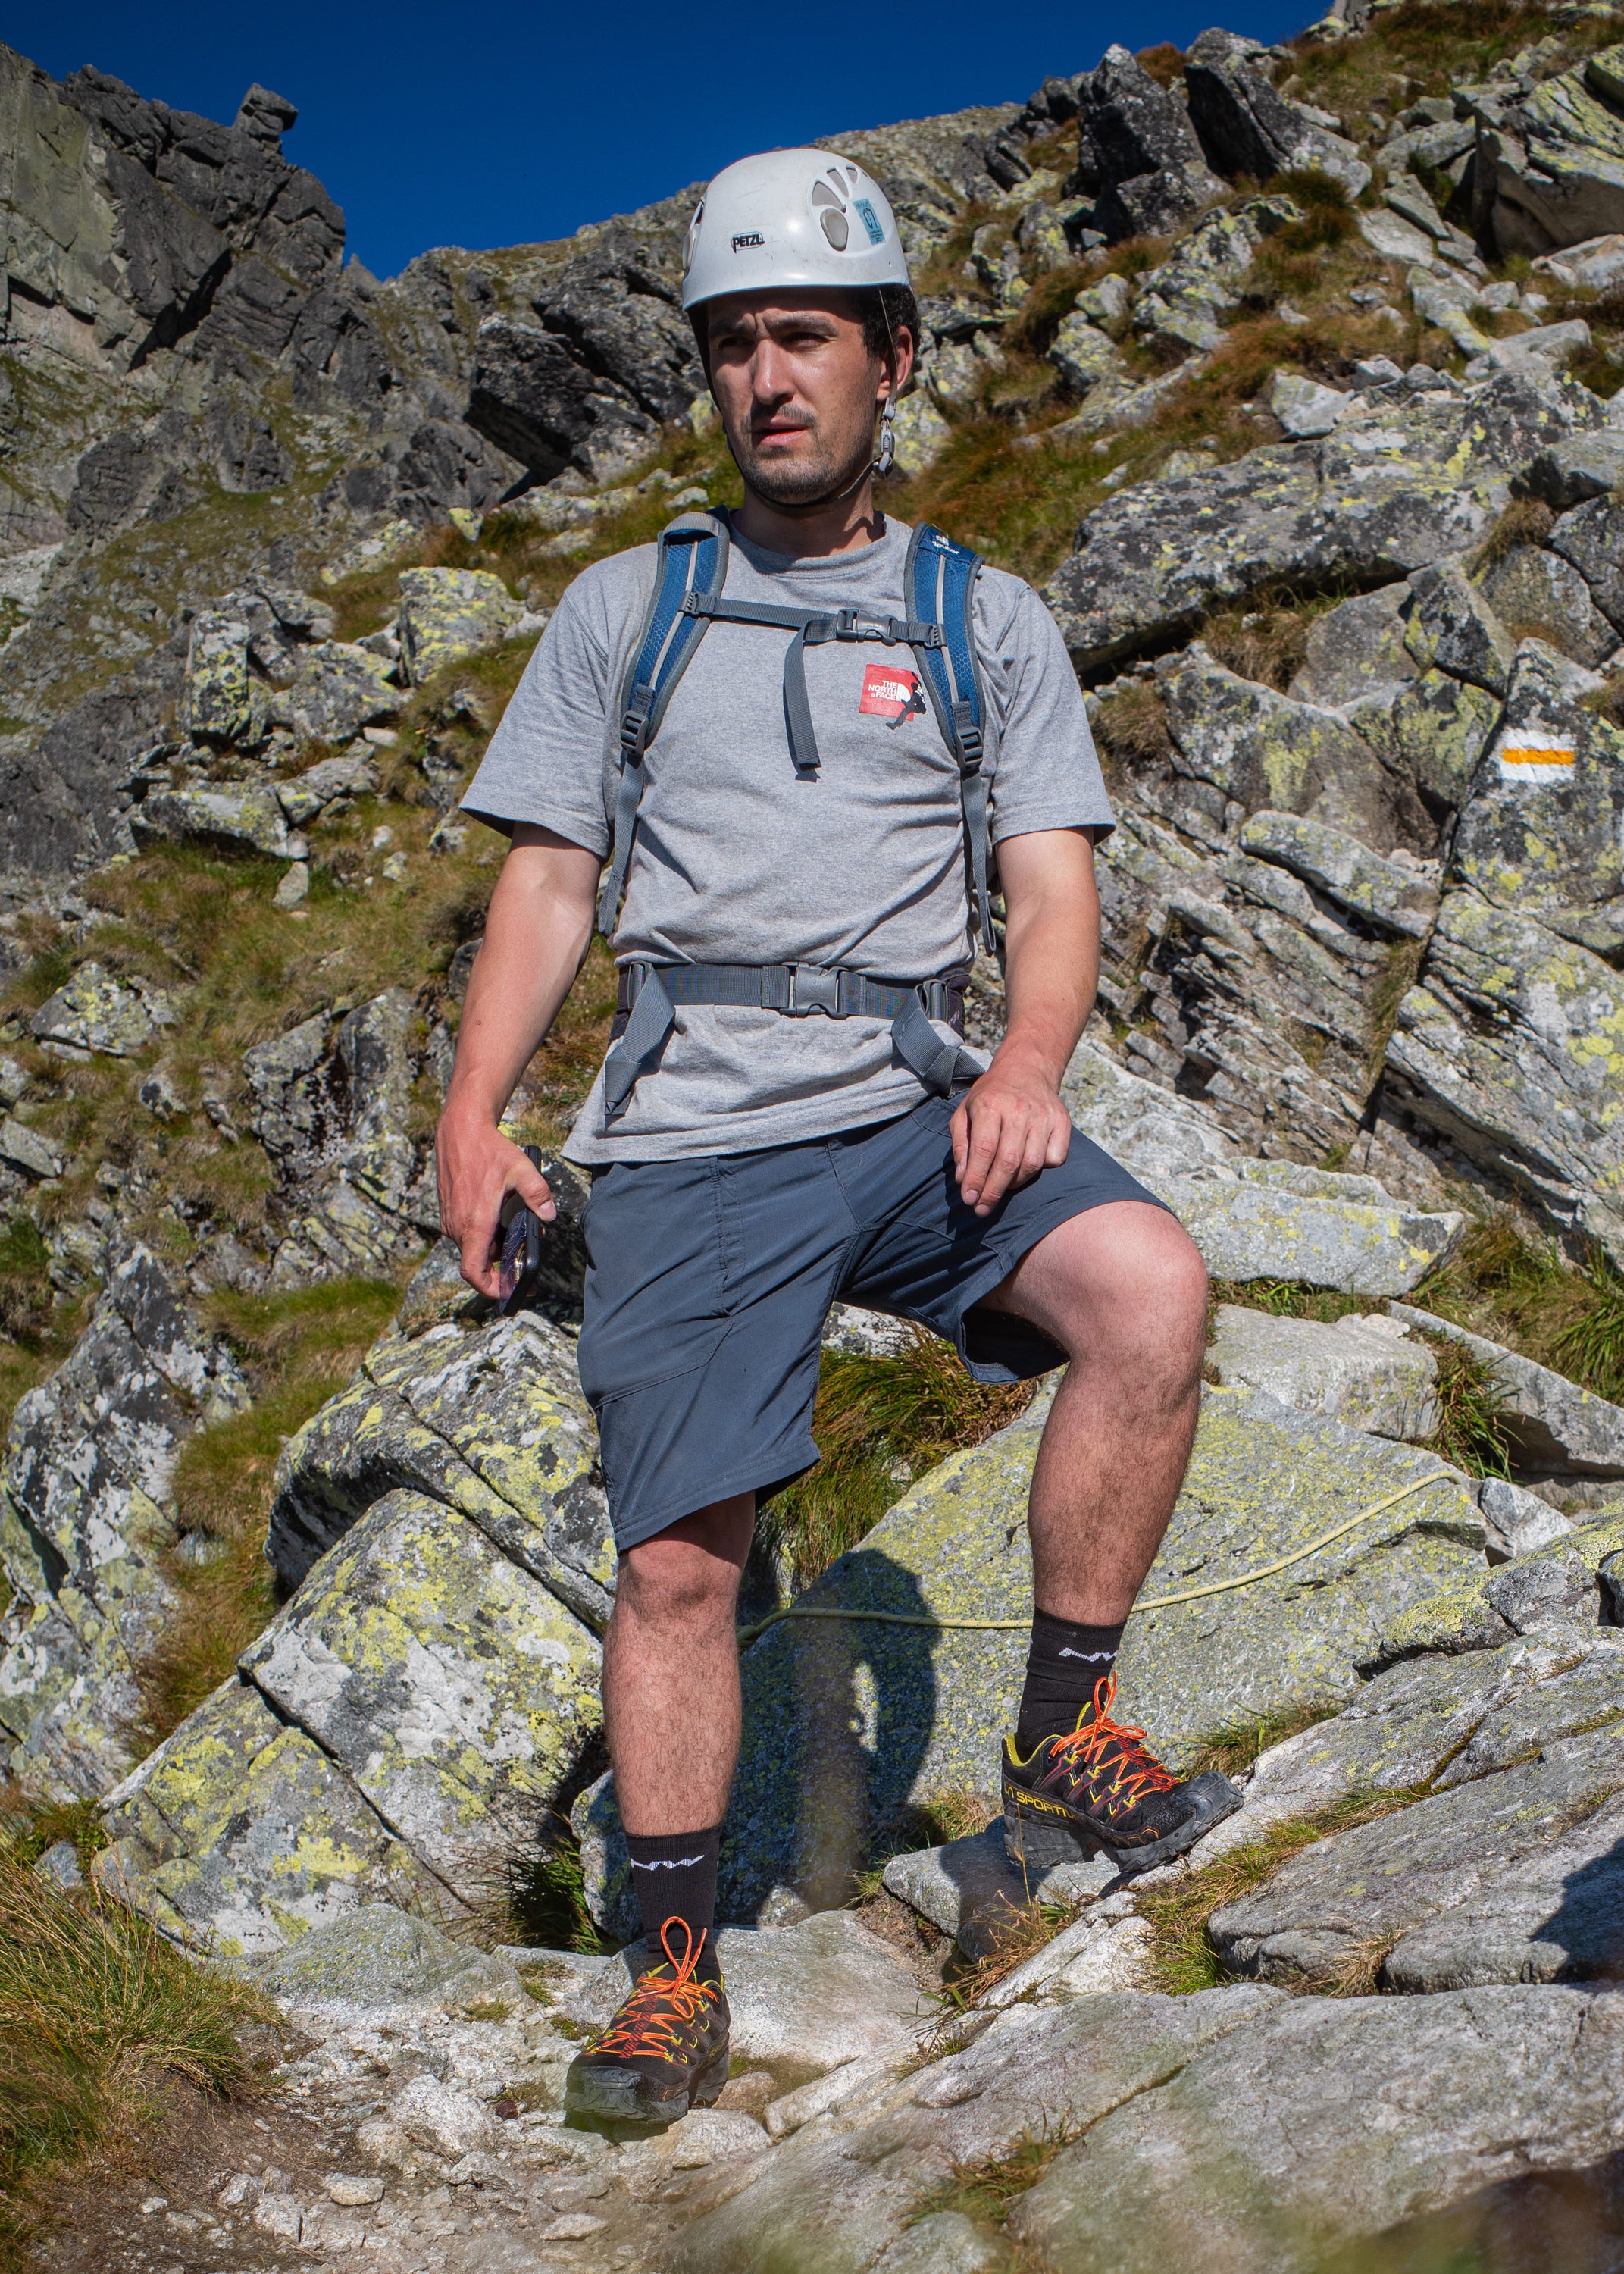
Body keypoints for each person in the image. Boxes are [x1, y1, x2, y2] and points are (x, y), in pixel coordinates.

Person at [435, 147, 1233, 2138]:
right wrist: (472, 1115)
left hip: (915, 1103)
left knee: (1147, 1288)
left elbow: (1052, 887)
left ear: (890, 355)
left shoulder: (987, 623)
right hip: (697, 1129)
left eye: (803, 335)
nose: (765, 378)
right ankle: (675, 1979)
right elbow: (546, 888)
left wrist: (1030, 1056)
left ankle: (1065, 1748)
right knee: (683, 1571)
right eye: (731, 345)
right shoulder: (633, 613)